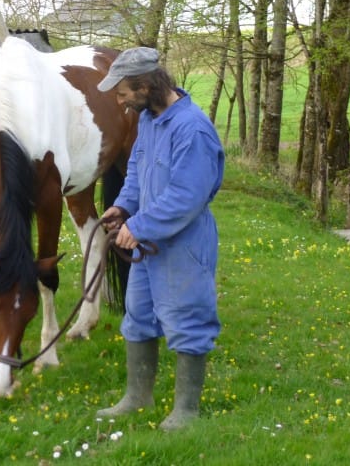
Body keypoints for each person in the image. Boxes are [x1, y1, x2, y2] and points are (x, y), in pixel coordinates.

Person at [96, 46, 225, 431]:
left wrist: (140, 227)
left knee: (188, 318)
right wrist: (123, 207)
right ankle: (138, 397)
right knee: (138, 316)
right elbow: (136, 170)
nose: (119, 101)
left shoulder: (193, 129)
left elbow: (187, 196)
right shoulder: (150, 119)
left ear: (146, 84)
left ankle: (187, 410)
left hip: (183, 244)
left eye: (123, 92)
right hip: (149, 240)